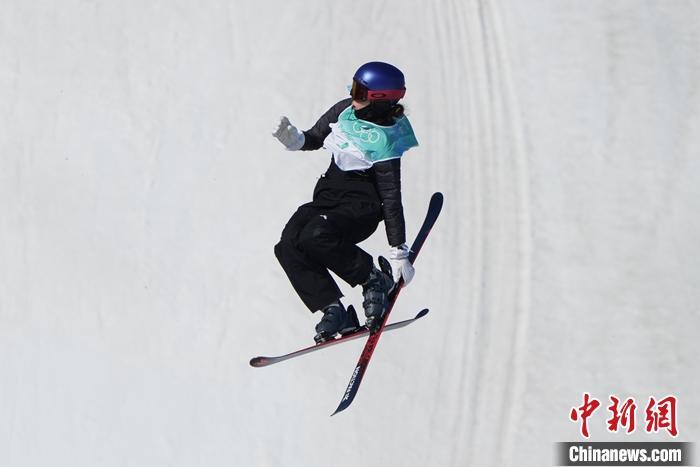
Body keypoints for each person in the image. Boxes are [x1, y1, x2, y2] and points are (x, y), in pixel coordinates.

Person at [272, 61, 419, 343]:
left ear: (379, 101)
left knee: (316, 235)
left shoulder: (385, 138)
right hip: (328, 196)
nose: (353, 96)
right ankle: (332, 308)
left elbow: (390, 197)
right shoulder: (345, 112)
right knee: (288, 243)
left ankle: (373, 279)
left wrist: (398, 249)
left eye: (360, 92)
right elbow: (315, 137)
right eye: (353, 87)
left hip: (361, 205)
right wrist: (295, 139)